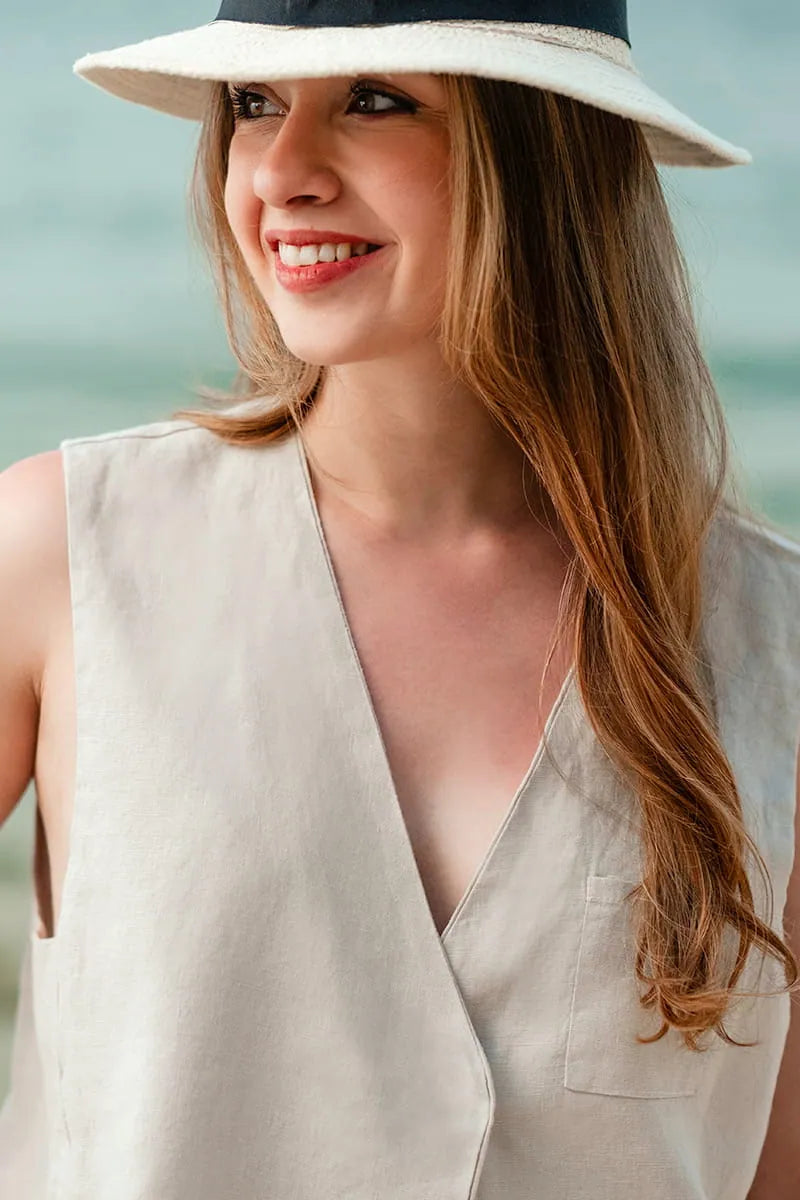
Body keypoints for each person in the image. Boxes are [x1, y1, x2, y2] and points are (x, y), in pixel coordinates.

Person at [0, 2, 798, 1197]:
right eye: (253, 107)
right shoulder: (63, 554)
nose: (278, 170)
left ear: (544, 156)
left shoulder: (769, 640)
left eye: (374, 102)